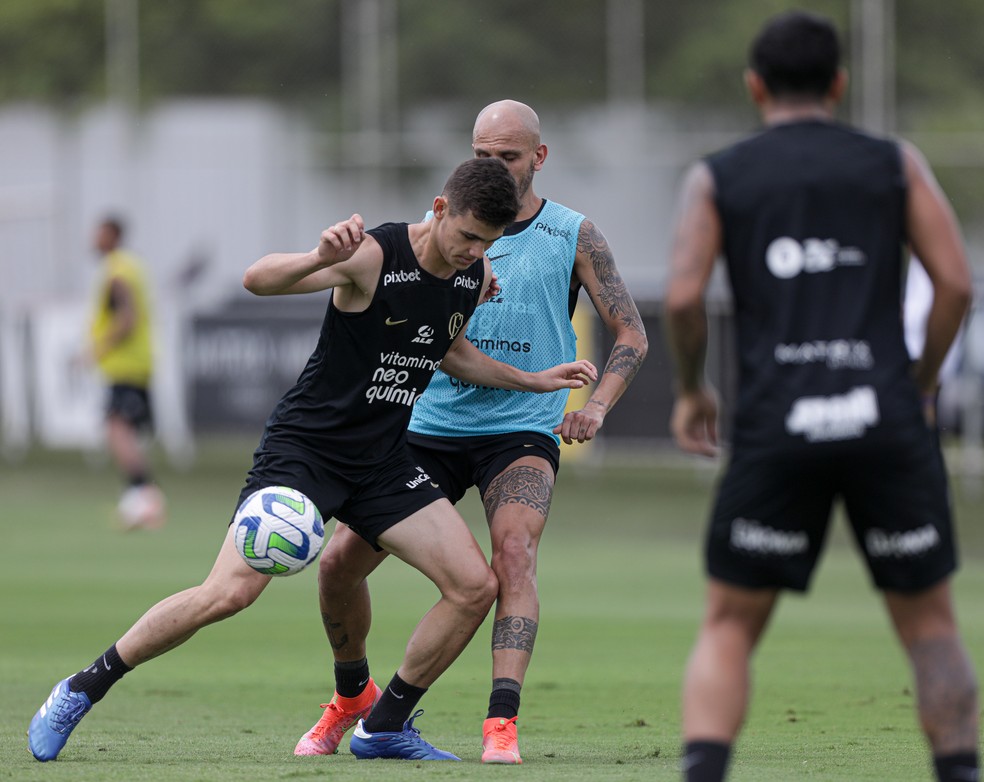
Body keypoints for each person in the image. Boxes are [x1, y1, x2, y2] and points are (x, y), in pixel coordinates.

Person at [28, 157, 599, 763]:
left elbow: (451, 352)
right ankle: (80, 688)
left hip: (381, 460)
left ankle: (383, 726)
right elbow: (257, 279)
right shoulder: (372, 256)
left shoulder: (472, 271)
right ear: (438, 209)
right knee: (228, 595)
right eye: (466, 236)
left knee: (474, 586)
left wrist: (534, 381)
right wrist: (319, 256)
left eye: (486, 242)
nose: (473, 251)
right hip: (306, 453)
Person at [664, 12, 978, 782]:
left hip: (778, 424)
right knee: (930, 624)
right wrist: (923, 379)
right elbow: (957, 285)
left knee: (730, 625)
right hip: (886, 419)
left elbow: (680, 298)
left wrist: (691, 390)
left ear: (755, 86)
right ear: (839, 84)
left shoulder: (718, 176)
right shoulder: (894, 164)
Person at [294, 99, 648, 765]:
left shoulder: (574, 233)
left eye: (508, 157)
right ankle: (351, 699)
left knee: (513, 556)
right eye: (482, 156)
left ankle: (498, 725)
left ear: (538, 158)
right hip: (427, 426)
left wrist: (596, 406)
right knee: (339, 564)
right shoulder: (442, 226)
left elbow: (632, 330)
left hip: (521, 430)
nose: (494, 167)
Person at [88, 216, 165, 530]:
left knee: (117, 429)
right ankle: (140, 498)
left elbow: (127, 318)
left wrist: (96, 349)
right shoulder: (133, 265)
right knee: (123, 431)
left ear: (112, 235)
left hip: (125, 365)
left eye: (99, 233)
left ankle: (143, 495)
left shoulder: (117, 270)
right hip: (136, 364)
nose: (93, 239)